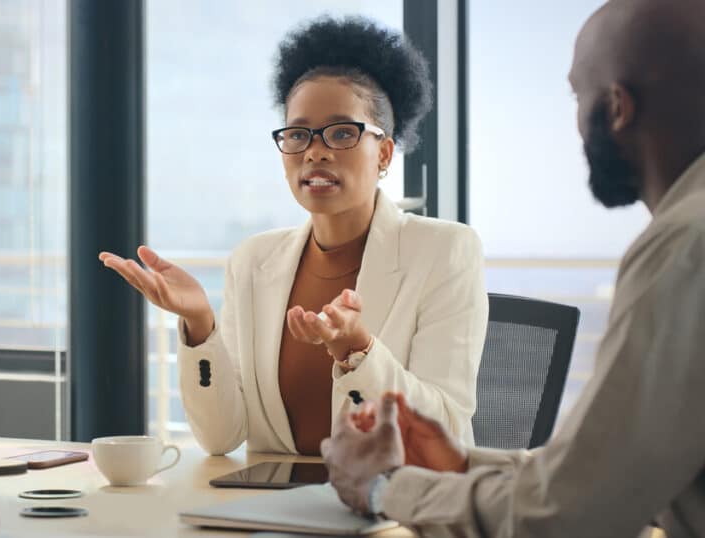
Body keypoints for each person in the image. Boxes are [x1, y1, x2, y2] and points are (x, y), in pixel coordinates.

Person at [320, 0, 705, 536]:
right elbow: (607, 476)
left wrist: (386, 487)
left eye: (577, 95)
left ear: (618, 108)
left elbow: (571, 515)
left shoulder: (685, 245)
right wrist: (461, 464)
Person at [100, 16, 488, 456]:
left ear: (383, 152)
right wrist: (200, 325)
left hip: (396, 494)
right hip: (277, 496)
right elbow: (221, 436)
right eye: (299, 135)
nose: (315, 152)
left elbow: (445, 428)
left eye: (341, 133)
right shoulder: (253, 260)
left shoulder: (445, 252)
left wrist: (358, 352)